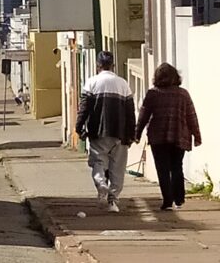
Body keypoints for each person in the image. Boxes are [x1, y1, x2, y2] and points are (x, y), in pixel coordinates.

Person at [134, 63, 202, 211]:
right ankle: (179, 198)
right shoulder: (183, 94)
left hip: (158, 137)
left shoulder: (153, 94)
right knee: (177, 166)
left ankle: (167, 200)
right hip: (179, 135)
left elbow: (143, 116)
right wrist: (197, 136)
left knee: (162, 168)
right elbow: (191, 116)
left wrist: (137, 134)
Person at [75, 51, 136, 212]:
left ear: (98, 66)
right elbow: (131, 112)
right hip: (120, 132)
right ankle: (113, 201)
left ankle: (101, 184)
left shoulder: (91, 83)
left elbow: (84, 108)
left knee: (98, 162)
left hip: (98, 131)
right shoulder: (123, 84)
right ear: (113, 65)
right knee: (118, 168)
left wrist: (79, 126)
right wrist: (132, 133)